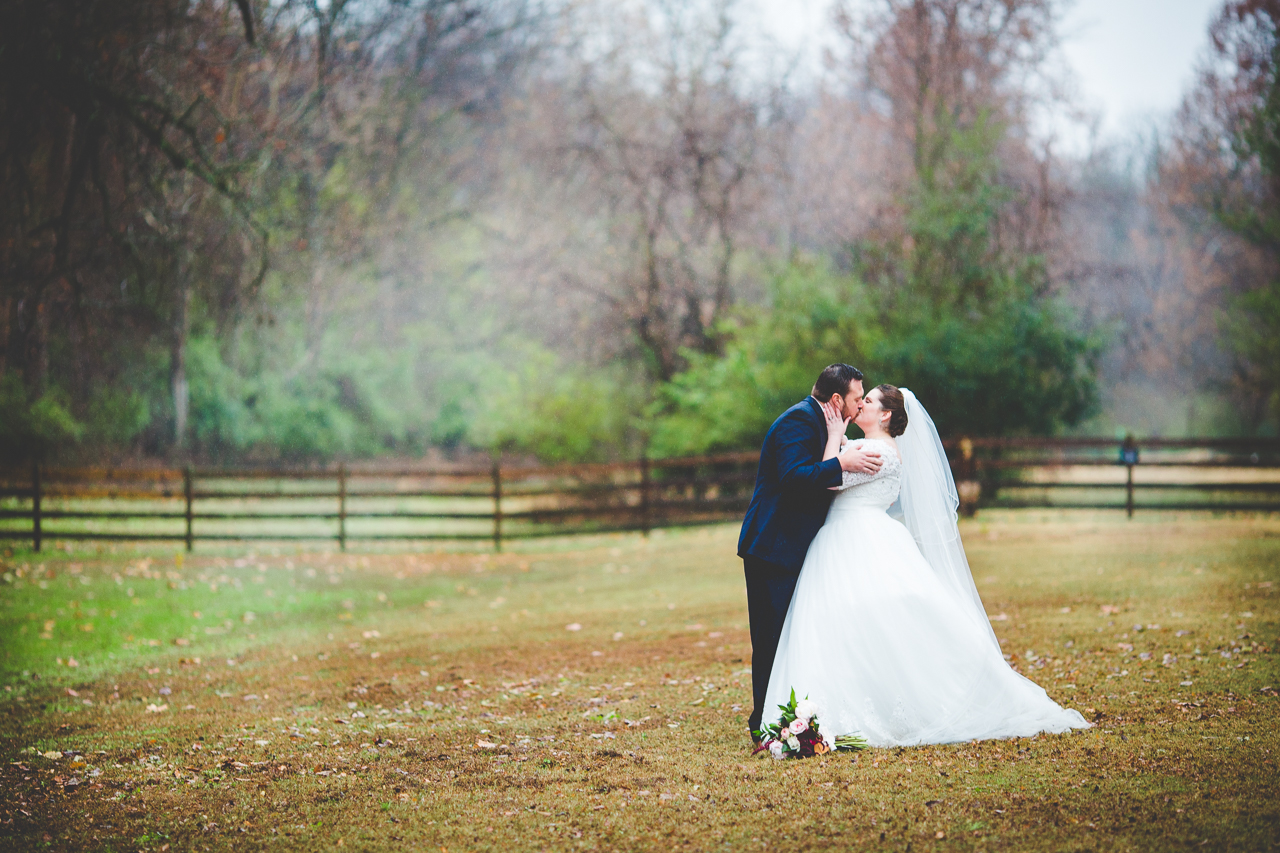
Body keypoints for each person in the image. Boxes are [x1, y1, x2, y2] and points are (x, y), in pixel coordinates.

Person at [761, 384, 1091, 746]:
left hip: (857, 537)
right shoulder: (863, 448)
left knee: (865, 620)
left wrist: (837, 436)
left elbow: (828, 480)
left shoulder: (877, 452)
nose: (861, 406)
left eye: (868, 401)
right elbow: (832, 468)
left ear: (885, 415)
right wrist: (840, 444)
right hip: (845, 537)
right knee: (845, 623)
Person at [737, 364, 883, 741]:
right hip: (772, 547)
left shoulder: (827, 424)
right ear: (836, 399)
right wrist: (840, 464)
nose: (857, 406)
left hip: (797, 547)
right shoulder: (797, 422)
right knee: (771, 638)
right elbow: (792, 478)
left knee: (793, 636)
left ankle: (788, 714)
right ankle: (763, 725)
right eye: (855, 398)